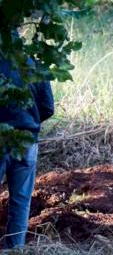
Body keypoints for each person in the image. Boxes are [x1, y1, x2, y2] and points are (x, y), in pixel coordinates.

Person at [0, 57, 54, 249]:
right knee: (21, 202)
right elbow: (48, 107)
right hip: (27, 140)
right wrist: (30, 125)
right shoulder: (34, 61)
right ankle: (15, 250)